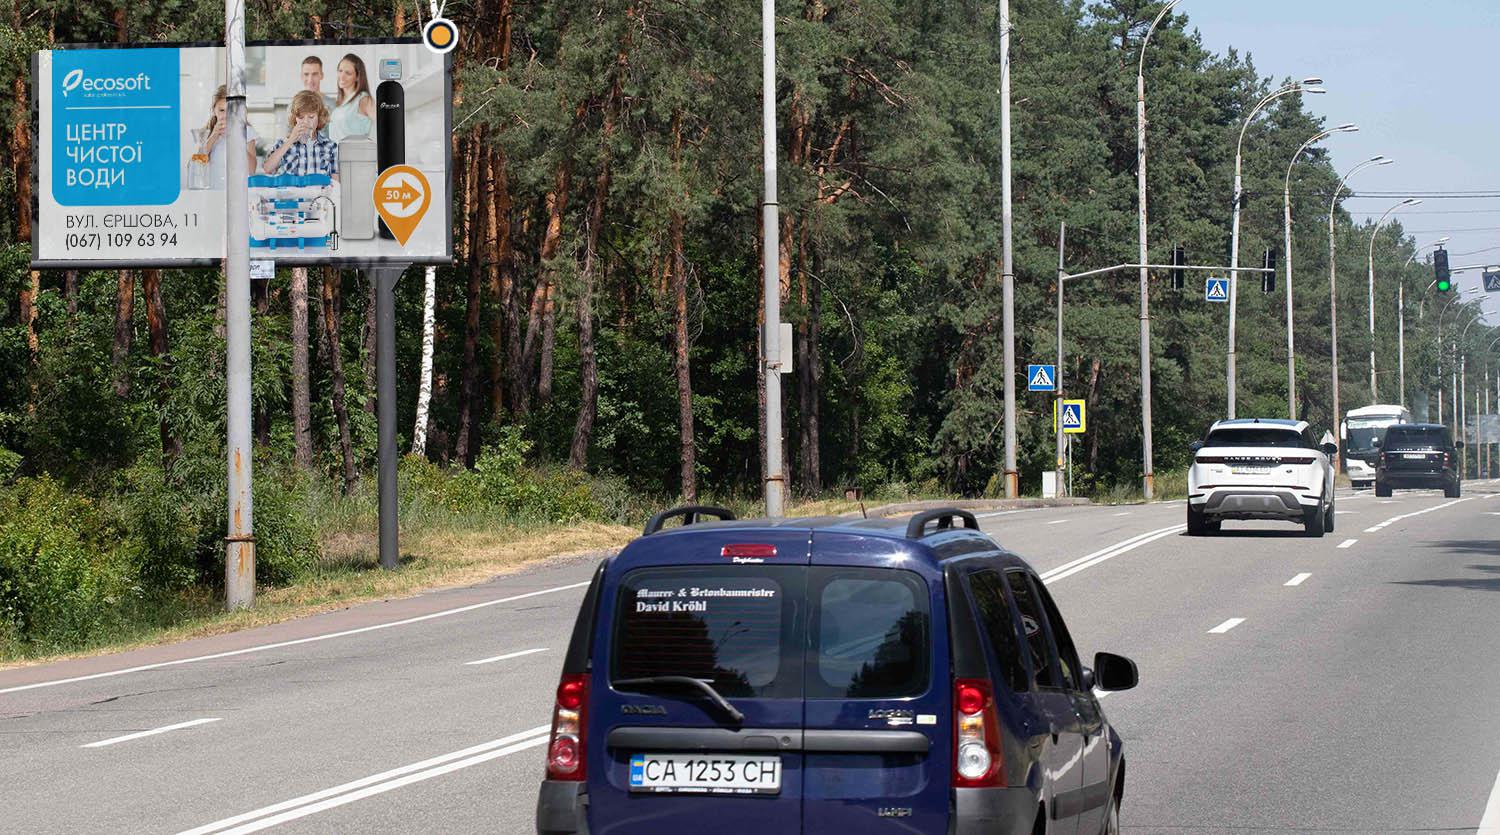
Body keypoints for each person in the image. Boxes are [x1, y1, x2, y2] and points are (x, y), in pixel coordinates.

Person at [261, 90, 339, 179]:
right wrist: (290, 140)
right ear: (295, 119)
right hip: (291, 193)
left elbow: (336, 184)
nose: (306, 122)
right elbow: (267, 169)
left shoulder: (330, 147)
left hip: (319, 193)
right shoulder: (282, 144)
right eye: (301, 117)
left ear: (319, 117)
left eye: (311, 117)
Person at [195, 84, 257, 189]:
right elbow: (197, 165)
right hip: (214, 193)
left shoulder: (247, 131)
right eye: (221, 110)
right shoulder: (206, 133)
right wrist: (213, 136)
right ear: (214, 110)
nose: (226, 115)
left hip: (237, 193)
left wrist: (237, 139)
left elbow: (251, 170)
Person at [328, 53, 375, 143]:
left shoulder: (363, 99)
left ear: (357, 77)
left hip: (356, 154)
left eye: (348, 73)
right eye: (340, 71)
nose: (342, 76)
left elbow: (384, 124)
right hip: (337, 155)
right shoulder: (340, 103)